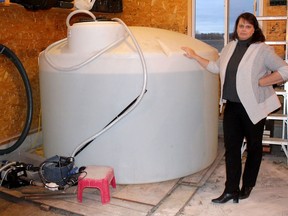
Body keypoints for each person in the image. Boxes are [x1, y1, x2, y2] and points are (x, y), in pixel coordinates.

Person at [182, 12, 288, 204]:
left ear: (254, 29)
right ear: (236, 28)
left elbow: (285, 70)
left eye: (248, 26)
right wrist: (194, 56)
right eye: (241, 26)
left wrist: (263, 81)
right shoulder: (230, 47)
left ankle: (247, 185)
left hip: (252, 107)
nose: (244, 29)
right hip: (232, 106)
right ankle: (230, 190)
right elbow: (215, 67)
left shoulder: (262, 49)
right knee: (232, 149)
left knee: (254, 148)